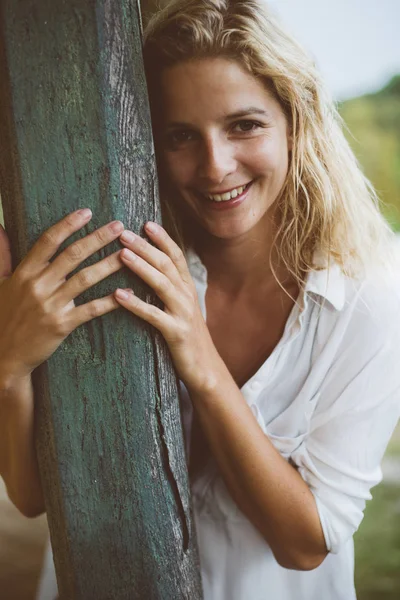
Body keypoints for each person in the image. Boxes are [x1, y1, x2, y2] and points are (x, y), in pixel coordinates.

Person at [0, 1, 399, 599]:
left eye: (244, 125)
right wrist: (9, 366)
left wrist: (201, 362)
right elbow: (33, 498)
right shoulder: (123, 265)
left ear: (297, 121)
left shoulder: (368, 295)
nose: (216, 166)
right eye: (181, 136)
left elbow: (305, 543)